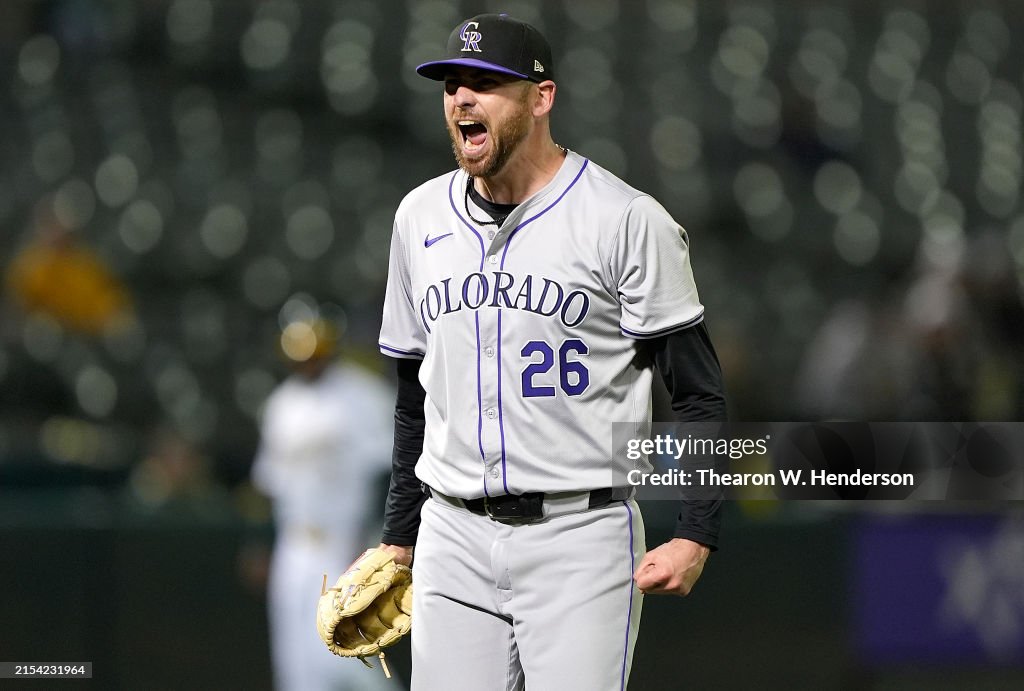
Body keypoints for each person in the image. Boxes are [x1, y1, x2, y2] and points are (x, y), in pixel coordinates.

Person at [375, 14, 726, 690]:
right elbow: (414, 396)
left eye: (486, 83)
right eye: (451, 85)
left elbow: (697, 392)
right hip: (452, 532)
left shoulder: (625, 220)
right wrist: (399, 532)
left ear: (542, 98)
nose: (461, 100)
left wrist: (696, 530)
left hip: (580, 533)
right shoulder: (417, 218)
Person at [252, 318, 398, 691]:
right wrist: (260, 543)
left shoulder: (363, 394)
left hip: (343, 543)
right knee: (295, 664)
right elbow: (270, 483)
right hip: (293, 543)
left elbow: (388, 472)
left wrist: (376, 538)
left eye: (313, 353)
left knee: (350, 660)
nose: (307, 362)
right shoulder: (282, 403)